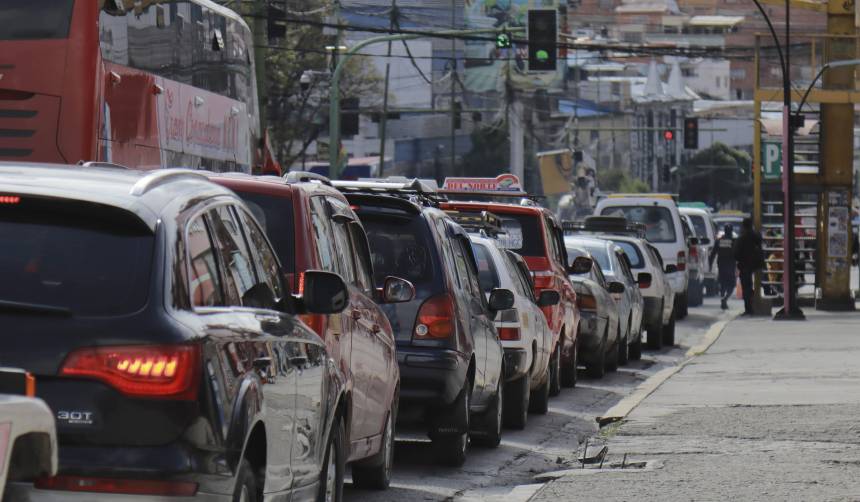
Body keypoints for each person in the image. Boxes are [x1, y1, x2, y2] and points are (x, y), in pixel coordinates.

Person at [733, 217, 764, 315]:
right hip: (756, 265)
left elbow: (736, 253)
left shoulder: (741, 238)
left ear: (743, 226)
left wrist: (739, 260)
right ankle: (753, 304)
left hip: (744, 265)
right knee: (751, 286)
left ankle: (749, 309)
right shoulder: (756, 236)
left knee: (746, 287)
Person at [709, 224, 737, 310]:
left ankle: (722, 300)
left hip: (721, 266)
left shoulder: (719, 241)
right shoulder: (734, 241)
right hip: (731, 267)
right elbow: (738, 253)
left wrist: (710, 265)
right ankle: (725, 298)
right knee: (731, 285)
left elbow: (713, 254)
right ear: (731, 231)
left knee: (723, 285)